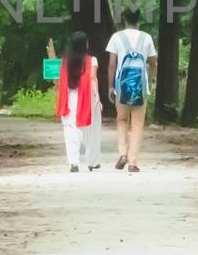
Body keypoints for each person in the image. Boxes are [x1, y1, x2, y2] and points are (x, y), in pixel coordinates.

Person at [105, 9, 157, 172]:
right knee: (137, 124)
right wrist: (152, 79)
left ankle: (122, 154)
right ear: (139, 19)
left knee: (122, 120)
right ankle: (133, 162)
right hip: (141, 87)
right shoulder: (146, 38)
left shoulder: (116, 37)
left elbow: (112, 64)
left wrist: (111, 87)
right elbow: (154, 62)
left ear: (124, 19)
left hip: (122, 86)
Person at [51, 32, 101, 172]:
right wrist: (97, 96)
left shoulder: (64, 61)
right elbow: (92, 78)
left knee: (69, 129)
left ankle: (74, 162)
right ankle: (91, 161)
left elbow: (60, 81)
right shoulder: (92, 60)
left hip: (68, 97)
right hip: (85, 98)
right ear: (85, 45)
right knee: (87, 130)